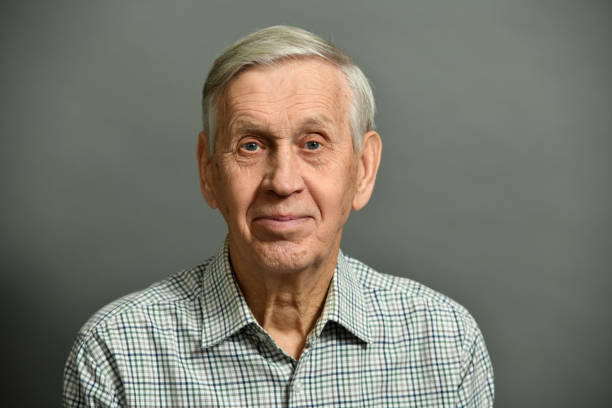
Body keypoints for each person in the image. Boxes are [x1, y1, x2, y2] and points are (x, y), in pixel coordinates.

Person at [63, 25, 494, 407]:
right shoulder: (116, 353)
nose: (283, 182)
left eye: (313, 144)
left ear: (363, 170)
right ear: (208, 171)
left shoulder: (445, 343)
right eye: (251, 145)